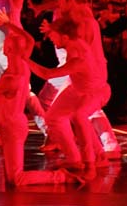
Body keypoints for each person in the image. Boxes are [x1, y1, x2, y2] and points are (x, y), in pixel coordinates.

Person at [0, 9, 85, 186]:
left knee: (15, 179)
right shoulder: (23, 63)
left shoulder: (10, 79)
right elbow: (29, 39)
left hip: (13, 128)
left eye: (6, 43)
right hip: (4, 121)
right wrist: (9, 24)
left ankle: (60, 176)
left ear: (7, 49)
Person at [29, 16, 110, 176]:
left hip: (95, 91)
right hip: (77, 88)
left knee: (79, 116)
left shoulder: (79, 57)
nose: (51, 40)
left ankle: (92, 160)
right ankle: (74, 159)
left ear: (65, 37)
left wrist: (25, 60)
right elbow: (72, 26)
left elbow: (47, 74)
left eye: (54, 36)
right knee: (53, 117)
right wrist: (52, 29)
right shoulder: (73, 41)